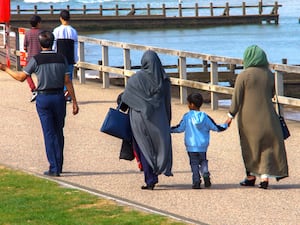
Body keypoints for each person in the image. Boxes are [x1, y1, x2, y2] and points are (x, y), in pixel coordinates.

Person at [0, 30, 79, 177]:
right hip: (59, 97)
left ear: (40, 43)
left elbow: (21, 77)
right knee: (58, 131)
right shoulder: (61, 58)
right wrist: (74, 101)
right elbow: (67, 81)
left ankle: (54, 167)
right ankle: (59, 164)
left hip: (43, 97)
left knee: (49, 133)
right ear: (52, 42)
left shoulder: (36, 60)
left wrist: (6, 69)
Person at [226, 45, 288, 189]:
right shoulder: (270, 74)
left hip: (248, 119)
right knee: (267, 147)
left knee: (250, 146)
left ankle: (251, 176)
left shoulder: (243, 75)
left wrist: (230, 115)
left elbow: (237, 98)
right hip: (268, 116)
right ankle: (265, 178)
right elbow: (272, 94)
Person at [121, 50, 173, 190]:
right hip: (158, 118)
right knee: (159, 146)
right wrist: (167, 119)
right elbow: (167, 102)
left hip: (138, 118)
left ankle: (150, 178)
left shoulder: (135, 79)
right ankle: (158, 169)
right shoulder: (164, 80)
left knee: (143, 147)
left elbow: (125, 100)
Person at [171, 93, 229, 189]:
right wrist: (226, 124)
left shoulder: (187, 116)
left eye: (188, 103)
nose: (188, 105)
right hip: (202, 146)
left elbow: (179, 128)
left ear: (192, 104)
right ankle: (205, 173)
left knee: (194, 163)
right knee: (203, 161)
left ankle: (196, 181)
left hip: (191, 146)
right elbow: (216, 127)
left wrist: (168, 130)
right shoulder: (205, 117)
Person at [53, 9, 78, 102]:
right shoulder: (73, 31)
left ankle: (62, 94)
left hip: (59, 57)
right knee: (69, 77)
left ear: (61, 18)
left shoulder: (56, 31)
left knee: (59, 77)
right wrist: (76, 58)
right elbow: (75, 46)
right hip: (70, 57)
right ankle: (68, 95)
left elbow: (54, 45)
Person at [23, 15, 42, 102]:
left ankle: (33, 89)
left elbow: (25, 47)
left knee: (27, 74)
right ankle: (40, 90)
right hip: (40, 58)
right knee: (40, 75)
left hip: (30, 58)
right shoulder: (41, 33)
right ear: (38, 23)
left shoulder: (27, 33)